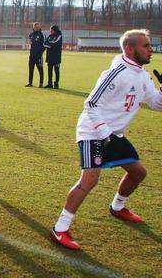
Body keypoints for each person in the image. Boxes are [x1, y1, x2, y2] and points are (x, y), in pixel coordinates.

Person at [50, 29, 162, 250]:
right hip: (93, 131)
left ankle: (117, 207)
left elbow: (157, 104)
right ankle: (60, 229)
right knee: (90, 179)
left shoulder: (142, 75)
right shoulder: (116, 72)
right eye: (145, 46)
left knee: (138, 172)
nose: (151, 49)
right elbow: (90, 105)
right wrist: (104, 133)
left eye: (150, 46)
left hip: (115, 135)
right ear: (129, 49)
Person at [26, 22, 45, 87]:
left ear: (39, 27)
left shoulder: (41, 35)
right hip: (31, 56)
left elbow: (44, 46)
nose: (36, 28)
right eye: (35, 27)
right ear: (33, 27)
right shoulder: (30, 35)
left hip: (38, 56)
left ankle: (41, 84)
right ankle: (30, 83)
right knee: (31, 70)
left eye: (37, 27)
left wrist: (40, 53)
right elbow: (29, 43)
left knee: (40, 70)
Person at [44, 24, 62, 89]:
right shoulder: (49, 36)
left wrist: (50, 44)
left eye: (51, 30)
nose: (50, 31)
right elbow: (44, 43)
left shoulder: (59, 36)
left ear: (54, 30)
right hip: (49, 56)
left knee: (56, 70)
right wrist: (50, 44)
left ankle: (56, 84)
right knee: (49, 70)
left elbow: (56, 44)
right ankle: (50, 84)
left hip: (56, 57)